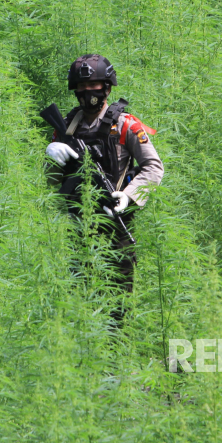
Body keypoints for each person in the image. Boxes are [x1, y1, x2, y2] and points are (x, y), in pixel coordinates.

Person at [45, 54, 164, 322]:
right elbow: (51, 183)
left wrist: (129, 197)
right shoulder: (66, 127)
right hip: (75, 228)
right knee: (78, 301)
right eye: (82, 88)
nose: (88, 93)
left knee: (119, 304)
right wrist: (51, 157)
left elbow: (154, 168)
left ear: (108, 88)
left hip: (115, 224)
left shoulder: (125, 124)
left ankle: (120, 360)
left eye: (95, 87)